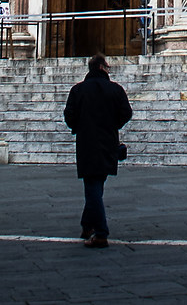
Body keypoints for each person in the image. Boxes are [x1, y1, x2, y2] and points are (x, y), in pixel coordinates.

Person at [64, 54, 131, 248]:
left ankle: (97, 231)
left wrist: (80, 127)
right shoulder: (115, 89)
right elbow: (126, 113)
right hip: (108, 142)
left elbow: (69, 116)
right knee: (97, 184)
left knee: (93, 186)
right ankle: (91, 227)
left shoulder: (78, 90)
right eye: (107, 67)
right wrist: (113, 125)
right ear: (102, 67)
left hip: (87, 143)